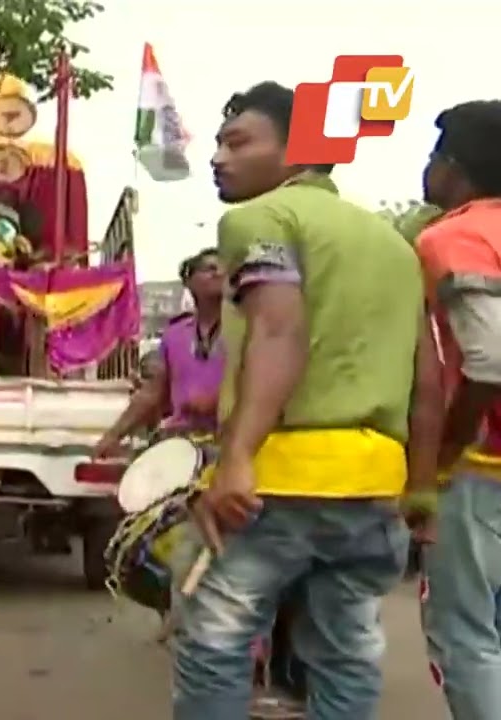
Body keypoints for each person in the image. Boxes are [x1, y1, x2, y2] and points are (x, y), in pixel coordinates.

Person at [170, 81, 439, 720]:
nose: (218, 157)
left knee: (214, 641)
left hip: (280, 480)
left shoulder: (258, 219)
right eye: (218, 143)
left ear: (300, 151)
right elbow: (428, 378)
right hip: (374, 487)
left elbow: (276, 328)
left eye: (238, 142)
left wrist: (236, 458)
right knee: (347, 652)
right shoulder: (393, 244)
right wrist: (421, 489)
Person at [415, 100, 501, 720]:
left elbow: (490, 359)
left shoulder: (455, 235)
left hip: (483, 462)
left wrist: (446, 449)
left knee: (467, 634)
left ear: (455, 166)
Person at [93, 247, 224, 456]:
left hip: (230, 441)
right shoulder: (175, 334)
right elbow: (152, 393)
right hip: (182, 442)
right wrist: (113, 436)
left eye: (224, 269)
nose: (219, 273)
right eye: (209, 268)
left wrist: (218, 399)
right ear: (189, 282)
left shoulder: (246, 328)